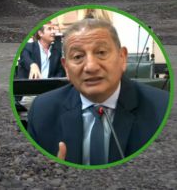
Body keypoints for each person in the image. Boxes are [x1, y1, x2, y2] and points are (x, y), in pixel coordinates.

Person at [26, 18, 169, 165]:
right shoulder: (42, 112)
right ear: (66, 67)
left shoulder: (162, 109)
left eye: (101, 52)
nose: (91, 67)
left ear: (122, 58)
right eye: (78, 57)